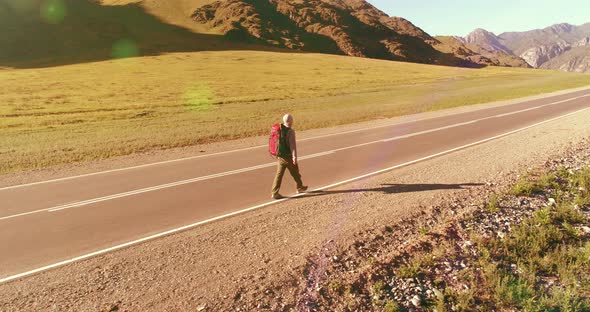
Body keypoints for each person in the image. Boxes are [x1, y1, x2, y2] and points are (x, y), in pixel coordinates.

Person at [271, 114, 308, 199]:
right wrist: (294, 157)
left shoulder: (279, 128)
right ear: (290, 121)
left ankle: (274, 193)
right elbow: (292, 145)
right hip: (288, 157)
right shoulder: (290, 131)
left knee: (278, 175)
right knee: (295, 173)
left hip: (280, 157)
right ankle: (300, 187)